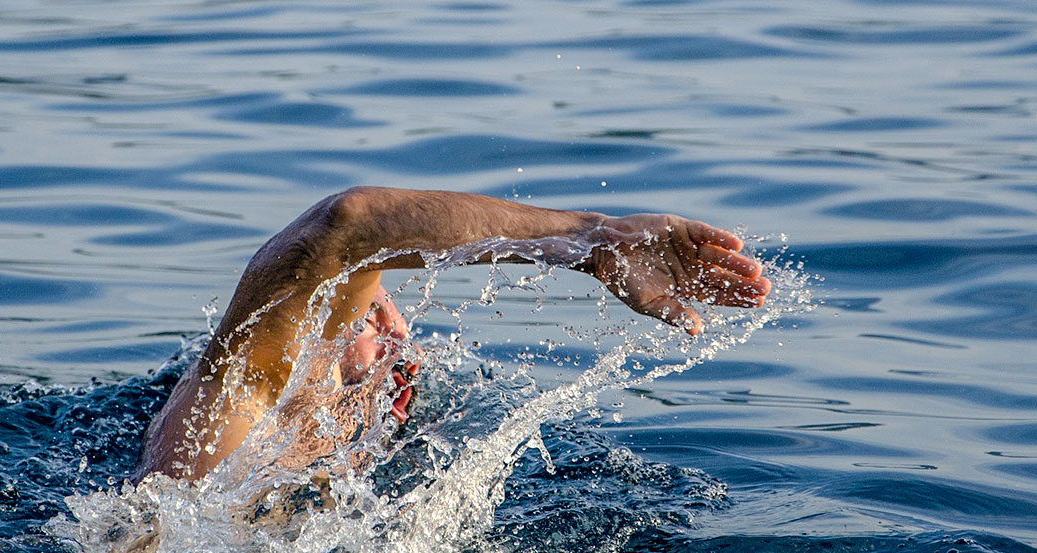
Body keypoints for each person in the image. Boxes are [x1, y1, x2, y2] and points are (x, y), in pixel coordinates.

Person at [135, 186, 770, 482]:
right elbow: (348, 226)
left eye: (388, 314)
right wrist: (590, 238)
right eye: (363, 304)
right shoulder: (234, 409)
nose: (390, 321)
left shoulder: (290, 473)